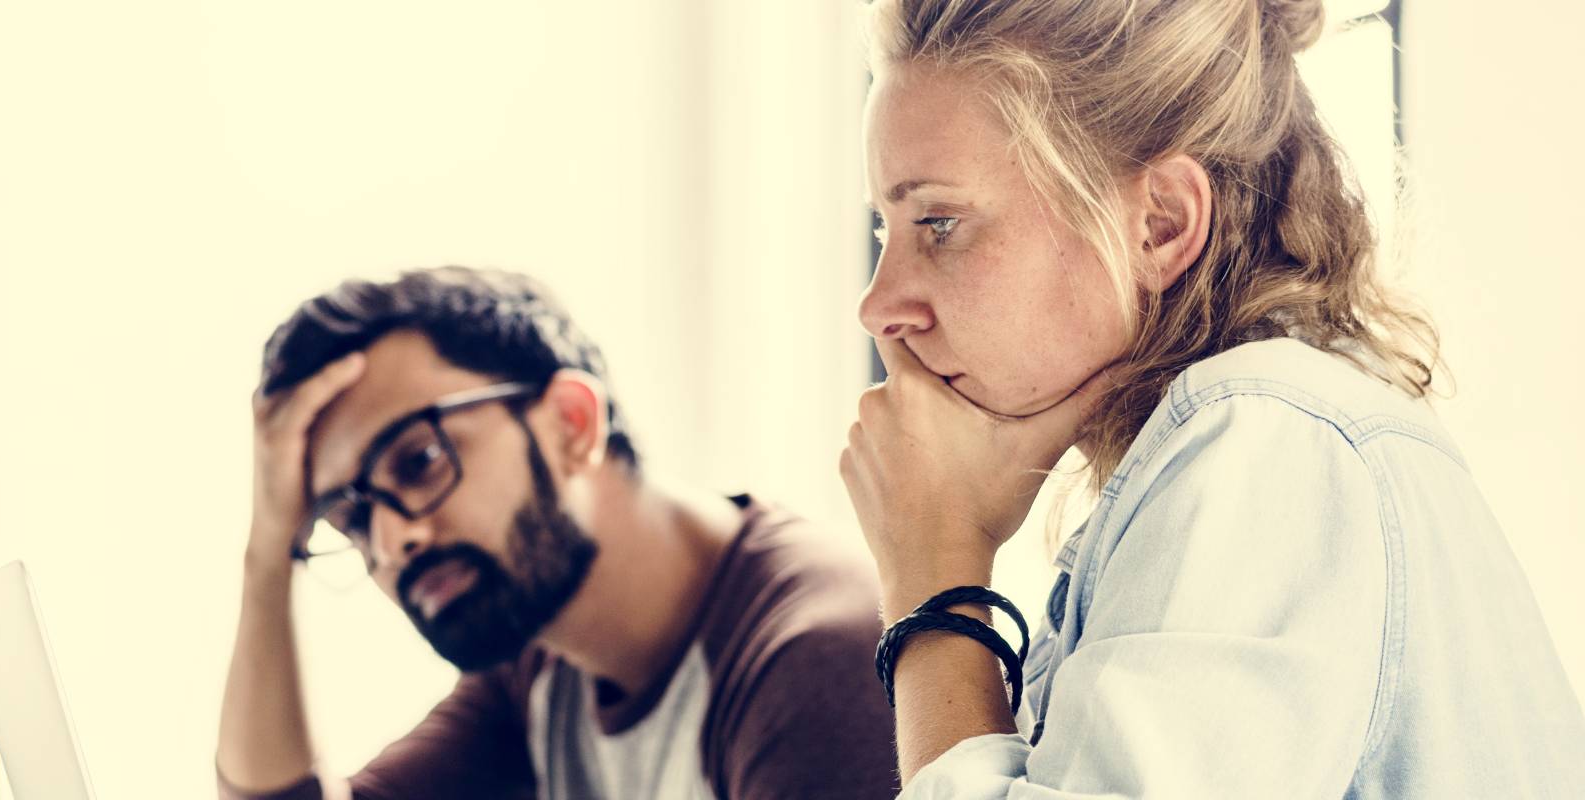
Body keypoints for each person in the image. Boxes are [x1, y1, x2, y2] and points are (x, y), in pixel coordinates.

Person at [840, 0, 1585, 797]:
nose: (879, 304)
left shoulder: (1266, 442)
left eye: (941, 223)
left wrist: (934, 576)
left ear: (1159, 225)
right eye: (887, 230)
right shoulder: (1252, 444)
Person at [216, 266, 898, 799]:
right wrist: (268, 556)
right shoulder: (542, 662)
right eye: (350, 518)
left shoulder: (814, 665)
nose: (391, 542)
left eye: (419, 461)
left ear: (572, 424)